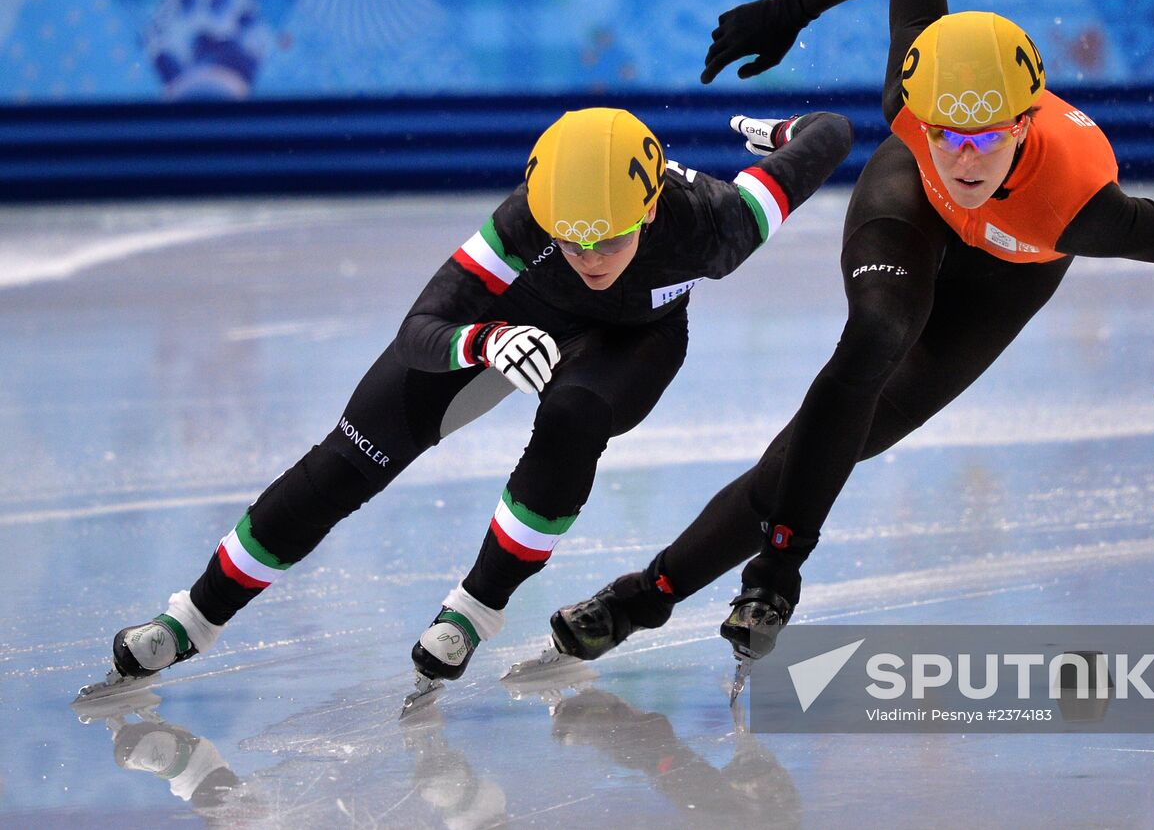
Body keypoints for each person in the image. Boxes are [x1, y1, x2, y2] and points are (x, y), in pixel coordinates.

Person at [547, 0, 1154, 664]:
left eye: (986, 138)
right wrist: (788, 9)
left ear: (1025, 121)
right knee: (876, 336)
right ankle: (776, 575)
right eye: (944, 132)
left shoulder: (1086, 208)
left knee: (804, 457)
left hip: (1012, 268)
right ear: (918, 109)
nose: (962, 157)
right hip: (909, 208)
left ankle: (644, 596)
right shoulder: (909, 106)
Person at [86, 105, 853, 701]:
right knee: (345, 461)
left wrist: (780, 130)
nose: (589, 258)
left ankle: (475, 611)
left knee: (572, 419)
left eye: (608, 241)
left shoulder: (719, 221)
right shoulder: (523, 218)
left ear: (650, 209)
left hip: (631, 343)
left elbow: (829, 134)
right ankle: (191, 618)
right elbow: (422, 324)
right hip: (508, 320)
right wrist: (481, 342)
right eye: (572, 240)